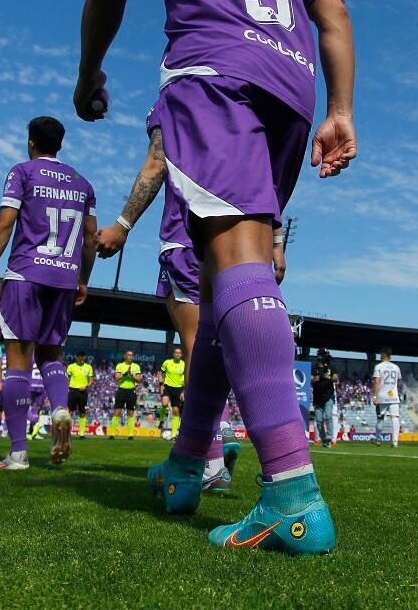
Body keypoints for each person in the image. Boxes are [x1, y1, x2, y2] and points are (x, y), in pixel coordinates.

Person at [75, 0, 354, 554]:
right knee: (224, 272)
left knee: (234, 269)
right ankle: (185, 463)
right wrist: (342, 111)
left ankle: (293, 495)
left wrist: (88, 74)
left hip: (216, 77)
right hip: (290, 91)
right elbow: (333, 14)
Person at [95, 95, 282, 485]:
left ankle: (210, 449)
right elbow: (269, 175)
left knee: (198, 340)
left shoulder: (177, 93)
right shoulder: (246, 97)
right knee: (222, 339)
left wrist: (123, 224)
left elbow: (157, 161)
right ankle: (232, 439)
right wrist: (276, 241)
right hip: (242, 238)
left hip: (186, 236)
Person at [0, 116, 98, 471]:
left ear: (31, 142)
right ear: (59, 144)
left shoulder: (22, 172)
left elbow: (4, 222)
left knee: (18, 360)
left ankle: (17, 453)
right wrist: (83, 279)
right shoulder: (83, 184)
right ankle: (60, 407)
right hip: (63, 278)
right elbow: (90, 238)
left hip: (25, 274)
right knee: (50, 354)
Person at [372, 349, 402, 448]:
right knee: (395, 417)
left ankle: (378, 439)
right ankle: (395, 441)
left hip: (382, 396)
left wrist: (375, 396)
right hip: (393, 396)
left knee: (380, 418)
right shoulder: (396, 367)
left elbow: (376, 381)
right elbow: (399, 382)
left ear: (382, 355)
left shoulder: (379, 367)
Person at [110, 349, 142, 439]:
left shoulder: (136, 366)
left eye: (131, 355)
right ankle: (112, 434)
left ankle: (130, 435)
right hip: (121, 390)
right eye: (128, 355)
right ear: (125, 356)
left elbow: (139, 379)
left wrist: (132, 376)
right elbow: (116, 378)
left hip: (131, 390)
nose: (130, 357)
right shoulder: (120, 365)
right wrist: (125, 374)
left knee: (131, 412)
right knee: (117, 412)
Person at [311, 349, 338, 447]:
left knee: (328, 416)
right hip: (318, 396)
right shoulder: (315, 367)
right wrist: (316, 379)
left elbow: (336, 378)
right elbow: (311, 380)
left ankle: (329, 437)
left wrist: (329, 377)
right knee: (318, 420)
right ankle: (324, 439)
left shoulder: (332, 366)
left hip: (328, 395)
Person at [159, 345, 186, 439]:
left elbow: (186, 378)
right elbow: (160, 373)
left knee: (176, 411)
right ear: (173, 354)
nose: (177, 354)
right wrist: (161, 384)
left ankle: (174, 434)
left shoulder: (184, 364)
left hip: (178, 389)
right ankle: (161, 420)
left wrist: (184, 391)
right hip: (167, 387)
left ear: (181, 355)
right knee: (165, 403)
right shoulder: (167, 362)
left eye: (179, 353)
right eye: (176, 353)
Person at [66, 350, 95, 438]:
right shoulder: (71, 367)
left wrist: (86, 386)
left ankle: (82, 433)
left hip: (83, 391)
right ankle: (67, 432)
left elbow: (91, 381)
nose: (82, 358)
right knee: (70, 411)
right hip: (72, 390)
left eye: (83, 356)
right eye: (80, 357)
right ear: (77, 357)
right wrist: (68, 386)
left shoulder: (88, 367)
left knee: (82, 412)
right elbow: (67, 378)